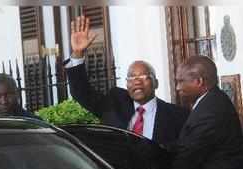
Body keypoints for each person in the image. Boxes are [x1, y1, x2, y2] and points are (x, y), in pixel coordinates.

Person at [65, 16, 189, 144]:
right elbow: (82, 93)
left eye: (143, 76)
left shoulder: (177, 116)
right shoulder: (114, 104)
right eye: (131, 77)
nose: (137, 81)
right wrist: (78, 53)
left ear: (155, 83)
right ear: (127, 84)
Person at [163, 55, 243, 169]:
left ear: (199, 82)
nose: (177, 87)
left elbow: (188, 158)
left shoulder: (210, 111)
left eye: (180, 81)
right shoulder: (211, 102)